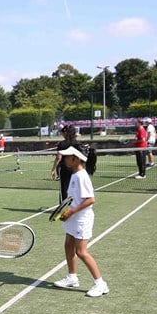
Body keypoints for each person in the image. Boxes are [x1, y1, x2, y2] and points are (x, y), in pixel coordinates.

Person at [52, 146, 109, 298]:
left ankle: (100, 284)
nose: (63, 159)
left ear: (76, 159)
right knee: (68, 246)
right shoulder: (75, 175)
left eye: (66, 157)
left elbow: (90, 200)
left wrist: (71, 212)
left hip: (82, 219)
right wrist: (66, 212)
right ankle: (72, 277)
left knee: (81, 252)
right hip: (73, 218)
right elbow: (74, 199)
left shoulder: (82, 176)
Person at [49, 125, 79, 206]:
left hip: (64, 168)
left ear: (66, 132)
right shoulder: (77, 143)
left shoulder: (62, 144)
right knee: (74, 188)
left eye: (62, 132)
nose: (62, 134)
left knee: (64, 188)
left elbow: (58, 157)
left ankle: (63, 207)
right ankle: (74, 205)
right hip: (75, 169)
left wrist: (53, 169)